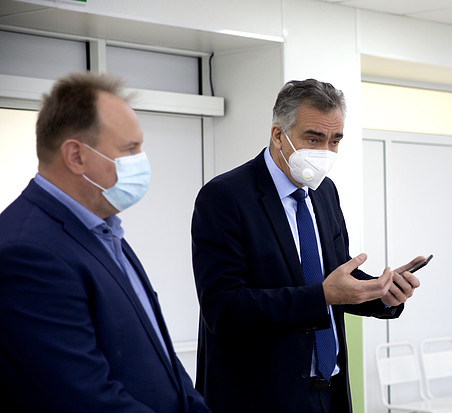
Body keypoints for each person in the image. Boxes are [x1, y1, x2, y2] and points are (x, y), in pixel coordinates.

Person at [191, 78, 422, 413]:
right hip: (260, 398)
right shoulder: (225, 196)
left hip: (329, 392)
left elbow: (335, 278)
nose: (325, 152)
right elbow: (224, 309)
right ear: (278, 135)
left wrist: (381, 293)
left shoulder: (325, 192)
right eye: (313, 139)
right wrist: (321, 296)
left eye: (335, 140)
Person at [0, 72, 210, 413]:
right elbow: (82, 397)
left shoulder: (105, 231)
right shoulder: (28, 253)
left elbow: (163, 359)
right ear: (76, 156)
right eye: (130, 149)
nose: (141, 160)